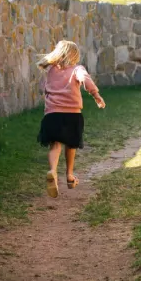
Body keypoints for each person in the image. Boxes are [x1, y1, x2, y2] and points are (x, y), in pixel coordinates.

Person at [36, 39, 105, 197]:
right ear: (74, 56)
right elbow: (85, 79)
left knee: (55, 145)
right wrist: (96, 95)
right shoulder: (77, 69)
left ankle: (52, 171)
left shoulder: (51, 70)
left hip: (52, 114)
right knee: (71, 144)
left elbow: (45, 88)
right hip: (72, 114)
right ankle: (69, 175)